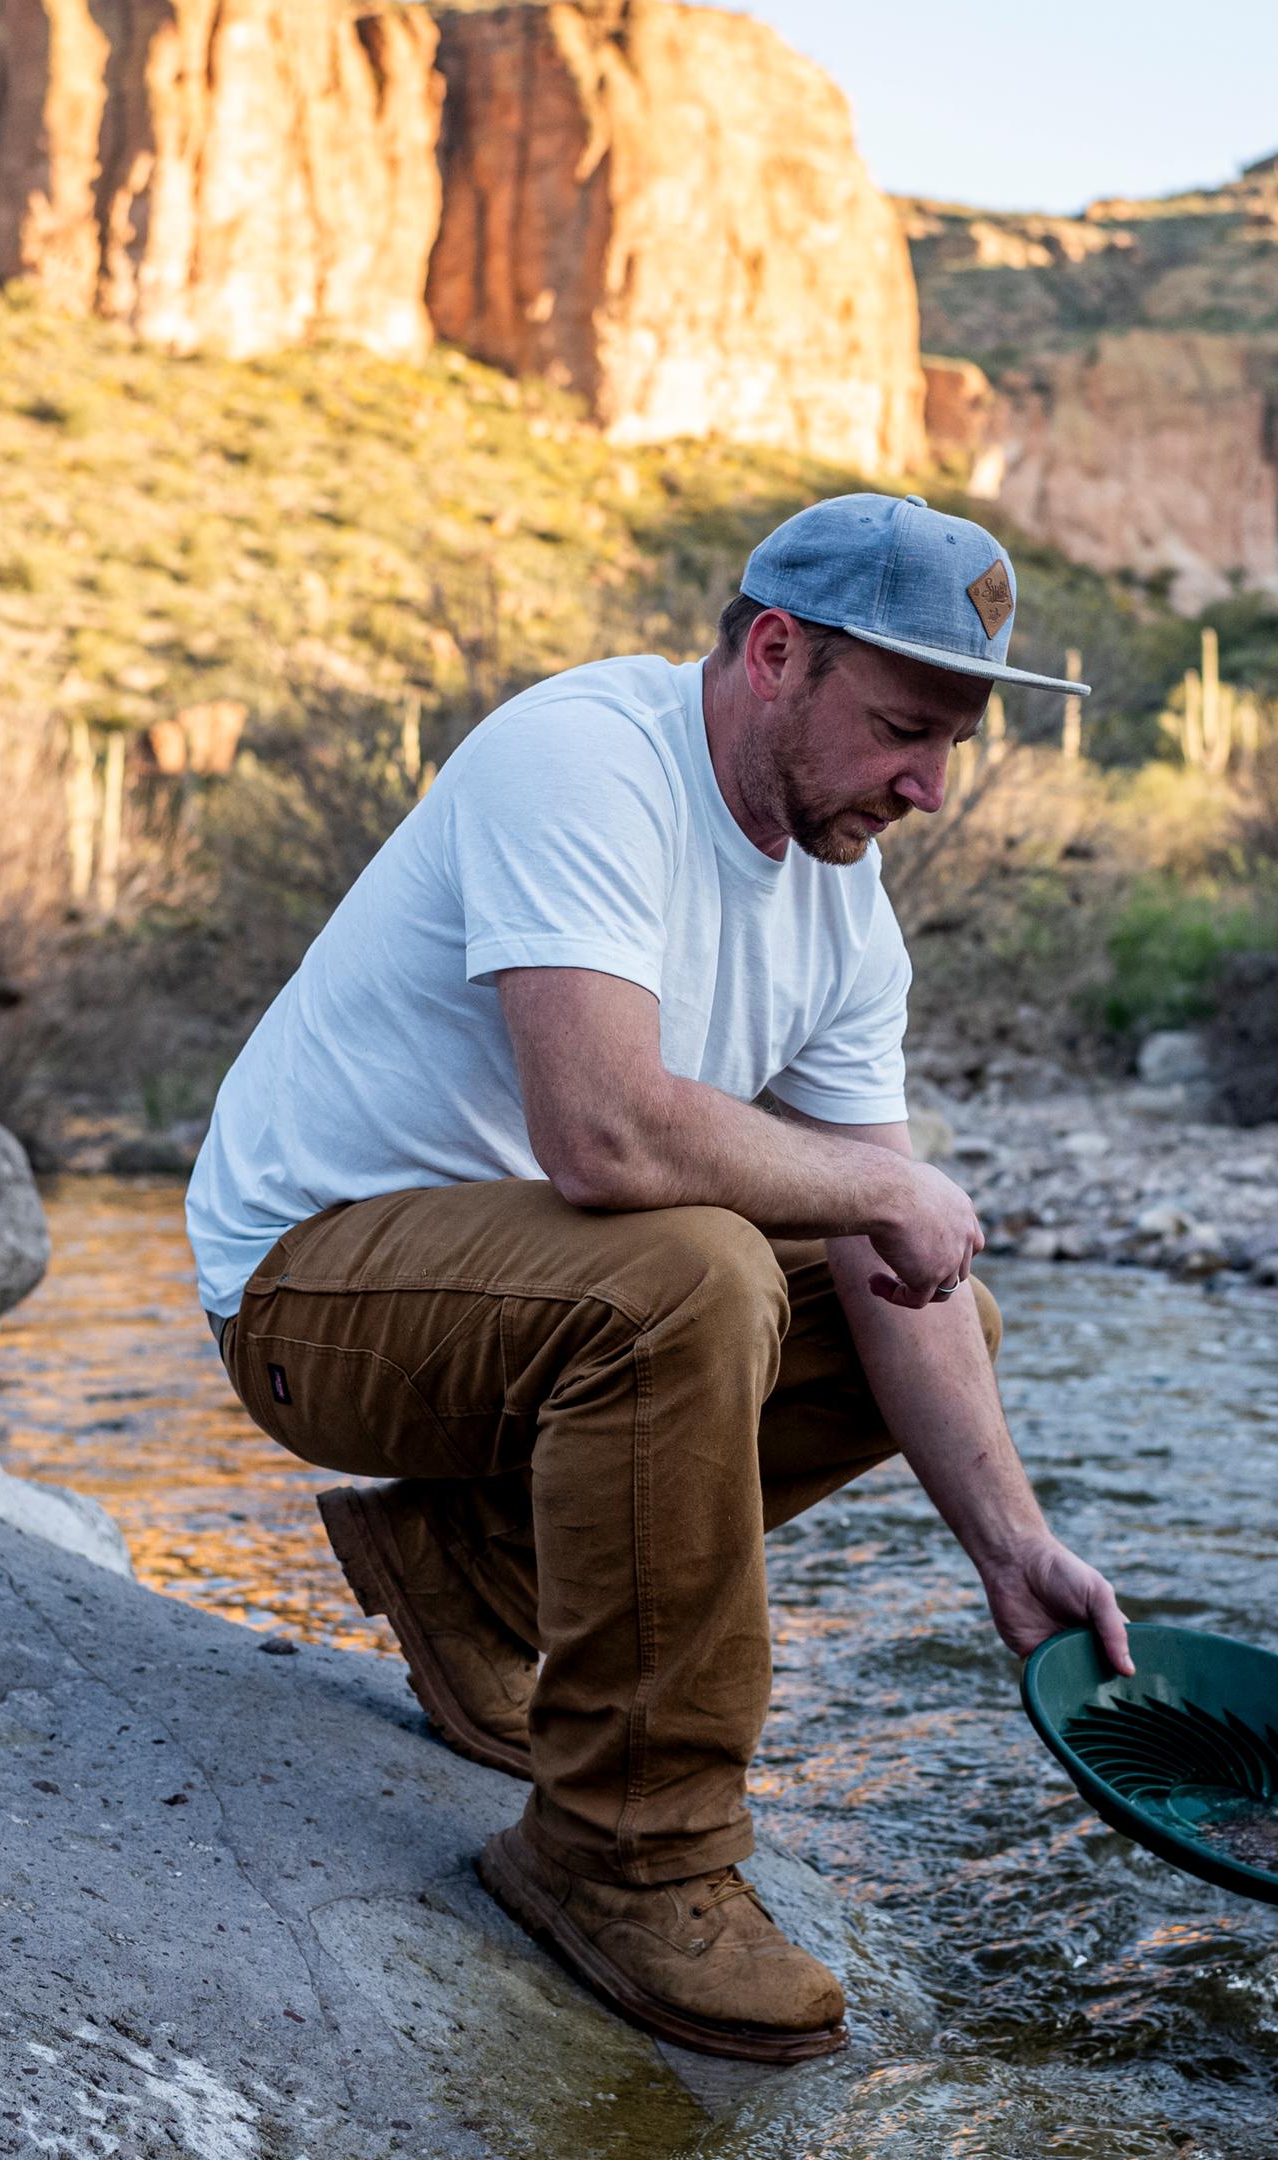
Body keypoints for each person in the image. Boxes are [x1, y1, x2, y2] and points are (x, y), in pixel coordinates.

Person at [182, 494, 1135, 2063]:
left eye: (954, 743)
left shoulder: (845, 911)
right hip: (309, 1290)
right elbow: (606, 1134)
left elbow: (887, 1260)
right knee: (695, 1276)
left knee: (917, 1292)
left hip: (516, 1312)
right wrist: (883, 1184)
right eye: (906, 729)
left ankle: (474, 1570)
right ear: (774, 654)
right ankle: (626, 1853)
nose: (933, 787)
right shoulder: (581, 758)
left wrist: (1010, 1548)